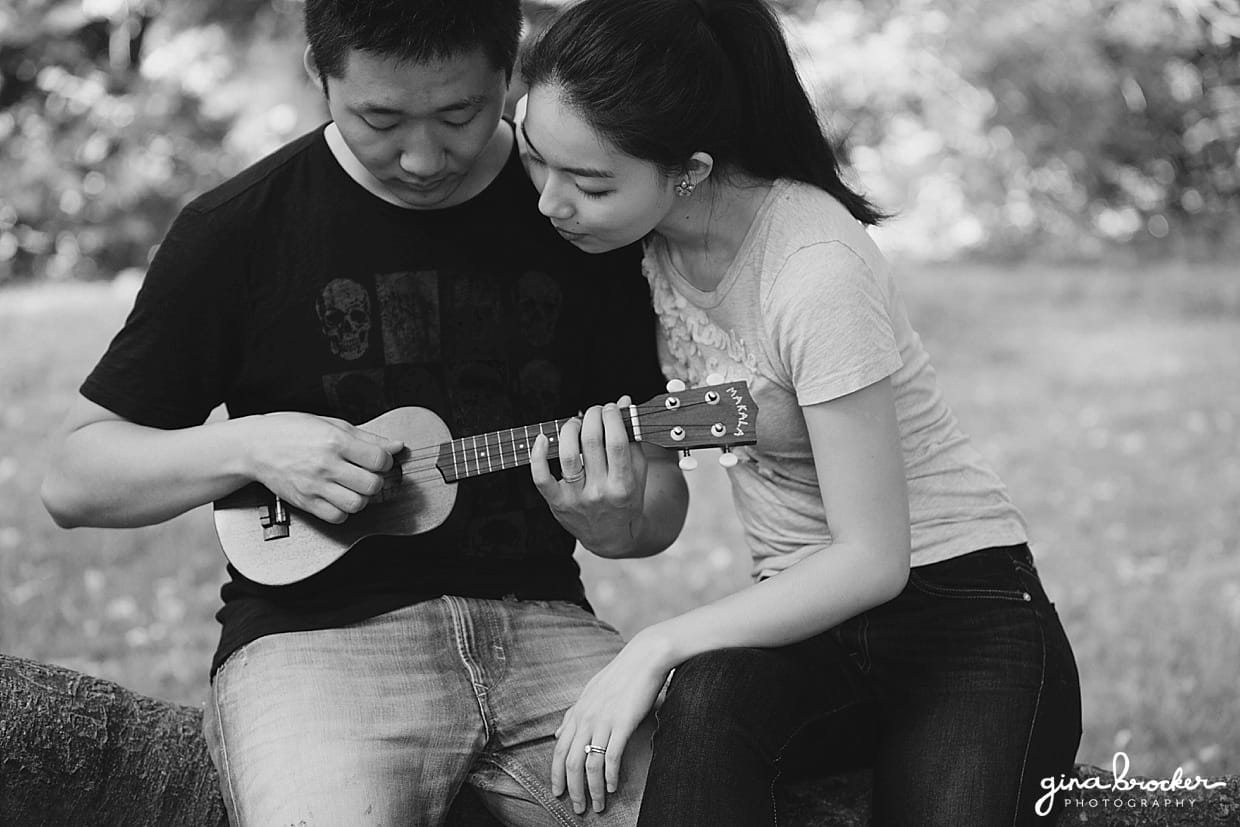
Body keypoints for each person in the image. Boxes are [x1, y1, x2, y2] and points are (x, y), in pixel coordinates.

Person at [39, 1, 690, 824]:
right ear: (319, 73)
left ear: (510, 71)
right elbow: (74, 476)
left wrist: (617, 520)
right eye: (380, 118)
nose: (423, 157)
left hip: (547, 629)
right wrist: (251, 445)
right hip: (311, 643)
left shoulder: (582, 214)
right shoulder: (238, 230)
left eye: (460, 114)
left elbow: (657, 507)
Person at [516, 0, 1083, 823]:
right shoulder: (635, 249)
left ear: (691, 170)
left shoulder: (813, 269)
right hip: (806, 628)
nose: (547, 202)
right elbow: (671, 484)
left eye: (589, 183)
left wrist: (654, 644)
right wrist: (604, 519)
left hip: (960, 620)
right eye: (538, 159)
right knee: (706, 709)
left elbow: (872, 558)